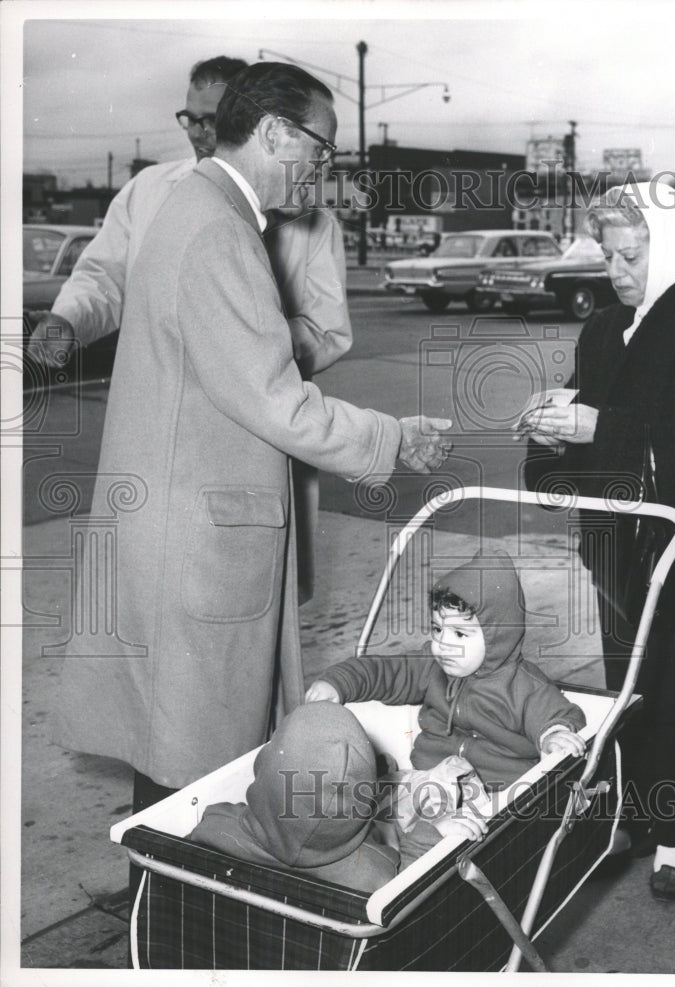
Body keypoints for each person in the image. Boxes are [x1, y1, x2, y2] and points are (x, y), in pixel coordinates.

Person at [52, 62, 453, 811]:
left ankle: (158, 911)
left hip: (177, 535)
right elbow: (277, 402)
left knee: (173, 753)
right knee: (199, 774)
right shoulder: (217, 232)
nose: (326, 171)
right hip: (199, 550)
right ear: (273, 132)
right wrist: (392, 440)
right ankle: (168, 919)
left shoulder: (197, 210)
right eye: (322, 149)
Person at [27, 55, 352, 605]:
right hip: (162, 427)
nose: (204, 132)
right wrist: (67, 321)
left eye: (217, 116)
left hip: (260, 433)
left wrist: (248, 349)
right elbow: (104, 277)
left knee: (251, 599)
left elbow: (328, 328)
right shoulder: (148, 192)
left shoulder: (310, 215)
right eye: (193, 117)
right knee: (154, 589)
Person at [517, 181, 675, 900]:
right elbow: (578, 454)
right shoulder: (601, 332)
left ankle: (673, 839)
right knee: (630, 691)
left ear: (674, 249)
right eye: (609, 256)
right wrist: (548, 441)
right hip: (620, 548)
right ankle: (632, 815)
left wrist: (596, 426)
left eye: (632, 256)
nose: (617, 272)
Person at [306, 549, 587, 791]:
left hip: (495, 792)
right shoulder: (432, 666)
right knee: (362, 796)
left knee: (411, 826)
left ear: (496, 636)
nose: (442, 645)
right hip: (429, 777)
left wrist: (553, 735)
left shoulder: (524, 686)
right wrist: (338, 682)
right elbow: (385, 671)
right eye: (438, 629)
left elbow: (557, 714)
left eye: (460, 635)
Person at [189, 702, 487, 891]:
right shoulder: (376, 872)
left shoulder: (215, 823)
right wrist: (429, 835)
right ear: (363, 809)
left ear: (263, 764)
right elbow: (406, 888)